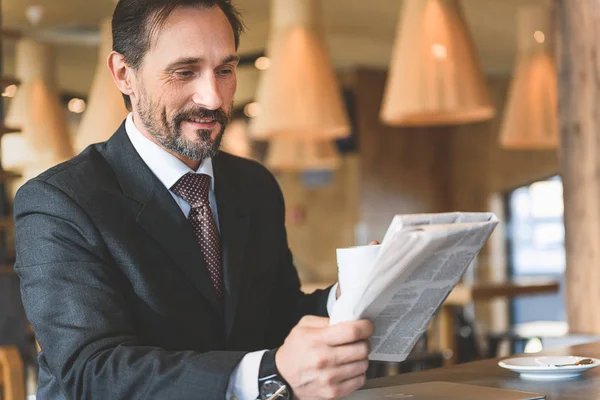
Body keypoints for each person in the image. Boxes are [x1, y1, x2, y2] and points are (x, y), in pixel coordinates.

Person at [14, 1, 374, 399]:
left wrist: (354, 294)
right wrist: (266, 372)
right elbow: (93, 371)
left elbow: (277, 315)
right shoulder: (59, 202)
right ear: (123, 74)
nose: (214, 98)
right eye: (185, 72)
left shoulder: (254, 185)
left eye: (225, 70)